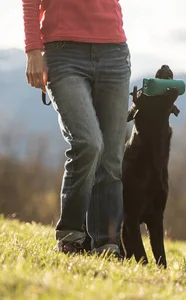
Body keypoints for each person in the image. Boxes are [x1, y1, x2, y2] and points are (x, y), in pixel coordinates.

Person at [22, 0, 131, 257]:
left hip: (114, 52)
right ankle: (71, 235)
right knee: (88, 144)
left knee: (112, 159)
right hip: (63, 53)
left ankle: (107, 244)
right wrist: (33, 50)